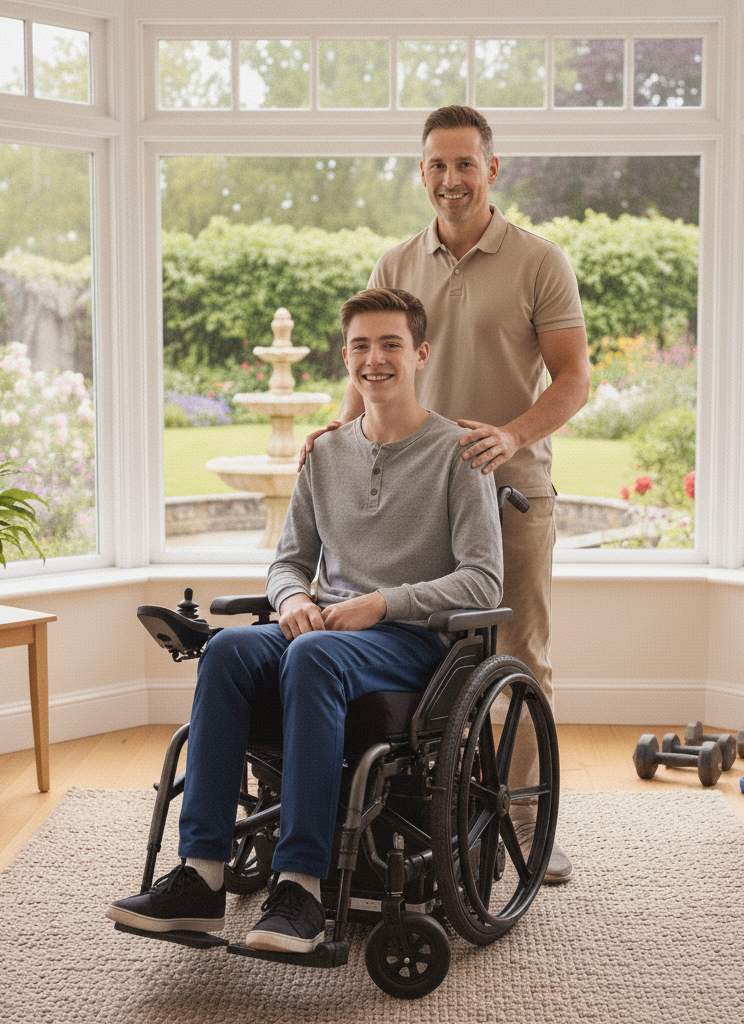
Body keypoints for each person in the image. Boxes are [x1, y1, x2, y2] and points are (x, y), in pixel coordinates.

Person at [107, 287, 502, 954]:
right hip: (324, 634)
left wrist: (382, 603)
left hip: (413, 642)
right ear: (346, 356)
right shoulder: (324, 453)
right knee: (229, 652)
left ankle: (300, 890)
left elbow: (483, 579)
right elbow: (289, 562)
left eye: (390, 345)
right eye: (361, 346)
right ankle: (202, 877)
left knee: (310, 658)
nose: (374, 359)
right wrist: (292, 600)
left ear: (420, 354)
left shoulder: (458, 454)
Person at [300, 106, 590, 884]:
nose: (450, 180)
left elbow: (574, 381)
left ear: (492, 170)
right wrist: (336, 434)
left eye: (465, 165)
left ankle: (526, 821)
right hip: (408, 487)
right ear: (421, 171)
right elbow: (369, 360)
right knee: (415, 645)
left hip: (510, 486)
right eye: (436, 165)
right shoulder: (396, 260)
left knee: (517, 651)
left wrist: (513, 436)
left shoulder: (538, 260)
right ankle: (419, 805)